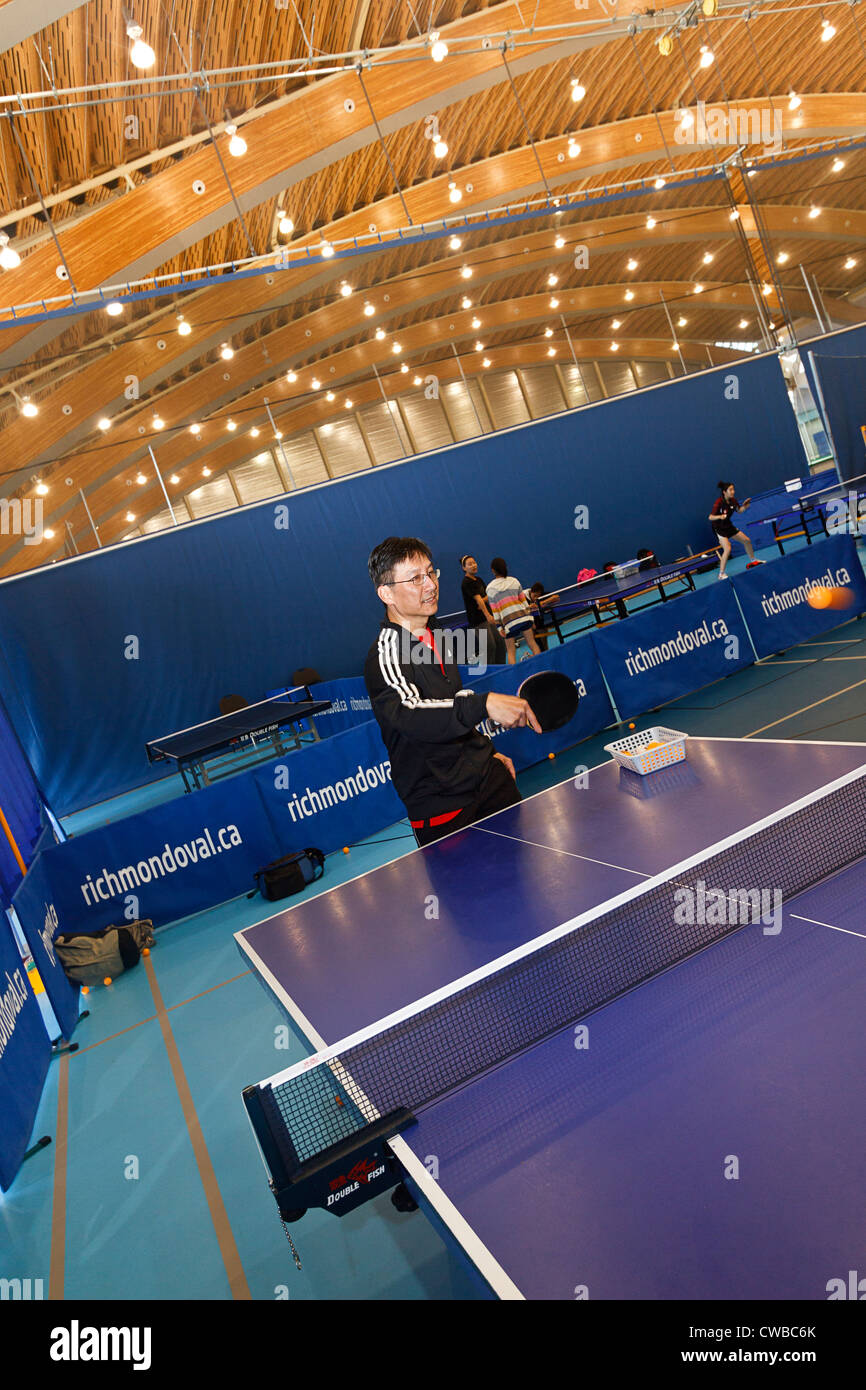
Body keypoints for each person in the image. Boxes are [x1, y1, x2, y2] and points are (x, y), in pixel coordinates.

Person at [364, 537, 541, 846]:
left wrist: (486, 753)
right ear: (386, 593)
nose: (430, 585)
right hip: (443, 806)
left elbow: (449, 708)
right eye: (415, 578)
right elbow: (410, 714)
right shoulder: (386, 654)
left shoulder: (436, 637)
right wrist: (483, 704)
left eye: (431, 573)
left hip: (491, 781)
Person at [486, 557, 541, 664]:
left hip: (509, 623)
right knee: (532, 643)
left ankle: (515, 677)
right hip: (524, 617)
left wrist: (499, 627)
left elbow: (495, 611)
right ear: (505, 567)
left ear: (493, 570)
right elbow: (524, 602)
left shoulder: (490, 588)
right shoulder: (514, 581)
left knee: (511, 652)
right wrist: (531, 620)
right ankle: (540, 667)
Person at [460, 554, 507, 665]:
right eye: (469, 564)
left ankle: (501, 668)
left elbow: (486, 597)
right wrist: (488, 614)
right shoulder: (466, 582)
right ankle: (489, 672)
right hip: (478, 621)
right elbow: (479, 600)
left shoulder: (479, 580)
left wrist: (488, 606)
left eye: (474, 562)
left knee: (500, 643)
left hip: (489, 617)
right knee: (489, 646)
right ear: (464, 568)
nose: (473, 565)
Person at [709, 480, 761, 578]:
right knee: (727, 548)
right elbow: (710, 517)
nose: (733, 491)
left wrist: (745, 507)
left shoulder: (733, 500)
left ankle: (753, 561)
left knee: (746, 540)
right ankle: (721, 574)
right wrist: (720, 516)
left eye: (733, 489)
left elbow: (739, 511)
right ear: (724, 492)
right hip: (719, 528)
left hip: (728, 525)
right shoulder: (719, 502)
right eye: (730, 490)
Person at [528, 581, 560, 652]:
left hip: (539, 623)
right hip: (528, 625)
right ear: (531, 592)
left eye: (538, 596)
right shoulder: (523, 596)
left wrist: (543, 602)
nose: (536, 598)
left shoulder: (541, 595)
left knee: (544, 647)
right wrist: (529, 607)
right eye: (534, 596)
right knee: (536, 647)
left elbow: (556, 597)